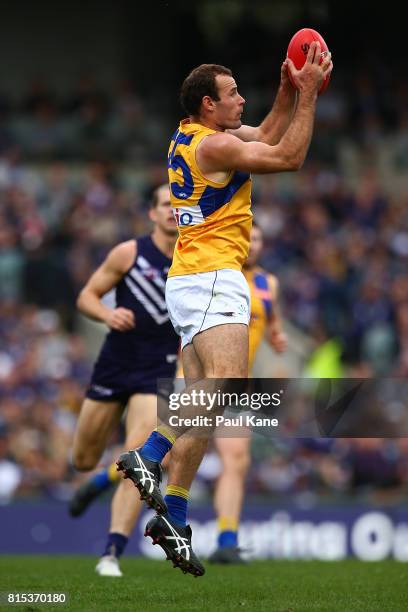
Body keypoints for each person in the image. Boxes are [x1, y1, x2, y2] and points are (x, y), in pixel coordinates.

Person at [117, 44, 333, 577]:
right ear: (208, 106)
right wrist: (308, 97)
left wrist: (287, 92)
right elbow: (288, 157)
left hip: (190, 278)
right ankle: (148, 452)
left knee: (203, 404)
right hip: (215, 276)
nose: (241, 99)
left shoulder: (190, 136)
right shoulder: (212, 147)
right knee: (228, 385)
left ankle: (176, 513)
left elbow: (262, 135)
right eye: (232, 93)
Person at [70, 184, 179, 577]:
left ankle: (111, 553)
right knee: (81, 458)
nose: (172, 211)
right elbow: (87, 296)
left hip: (158, 370)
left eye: (177, 204)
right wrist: (107, 315)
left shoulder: (194, 259)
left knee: (143, 457)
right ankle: (99, 477)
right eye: (165, 205)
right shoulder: (128, 253)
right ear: (152, 213)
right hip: (115, 365)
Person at [209, 223, 287, 563]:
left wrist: (277, 338)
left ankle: (227, 540)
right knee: (169, 458)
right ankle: (106, 479)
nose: (252, 245)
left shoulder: (268, 284)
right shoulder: (215, 275)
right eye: (247, 238)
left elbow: (273, 326)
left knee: (237, 460)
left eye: (257, 240)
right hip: (198, 377)